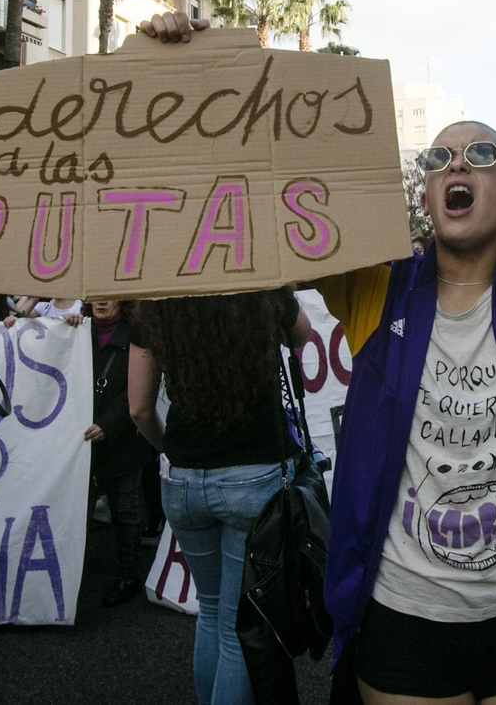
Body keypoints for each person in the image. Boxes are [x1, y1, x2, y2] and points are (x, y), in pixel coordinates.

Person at [136, 0, 496, 704]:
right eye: (438, 160)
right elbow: (267, 195)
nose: (456, 164)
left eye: (482, 156)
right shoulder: (373, 287)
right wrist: (185, 70)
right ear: (423, 198)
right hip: (404, 619)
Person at [128, 289, 310, 705]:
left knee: (209, 612)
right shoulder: (263, 285)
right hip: (253, 478)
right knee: (234, 625)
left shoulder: (155, 299)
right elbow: (302, 335)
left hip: (182, 481)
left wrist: (172, 451)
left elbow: (139, 408)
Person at [84, 298, 151, 607]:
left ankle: (128, 575)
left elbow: (136, 391)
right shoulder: (76, 332)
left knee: (126, 511)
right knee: (77, 509)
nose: (101, 301)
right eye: (94, 295)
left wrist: (108, 424)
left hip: (121, 441)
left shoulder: (136, 334)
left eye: (108, 295)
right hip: (81, 443)